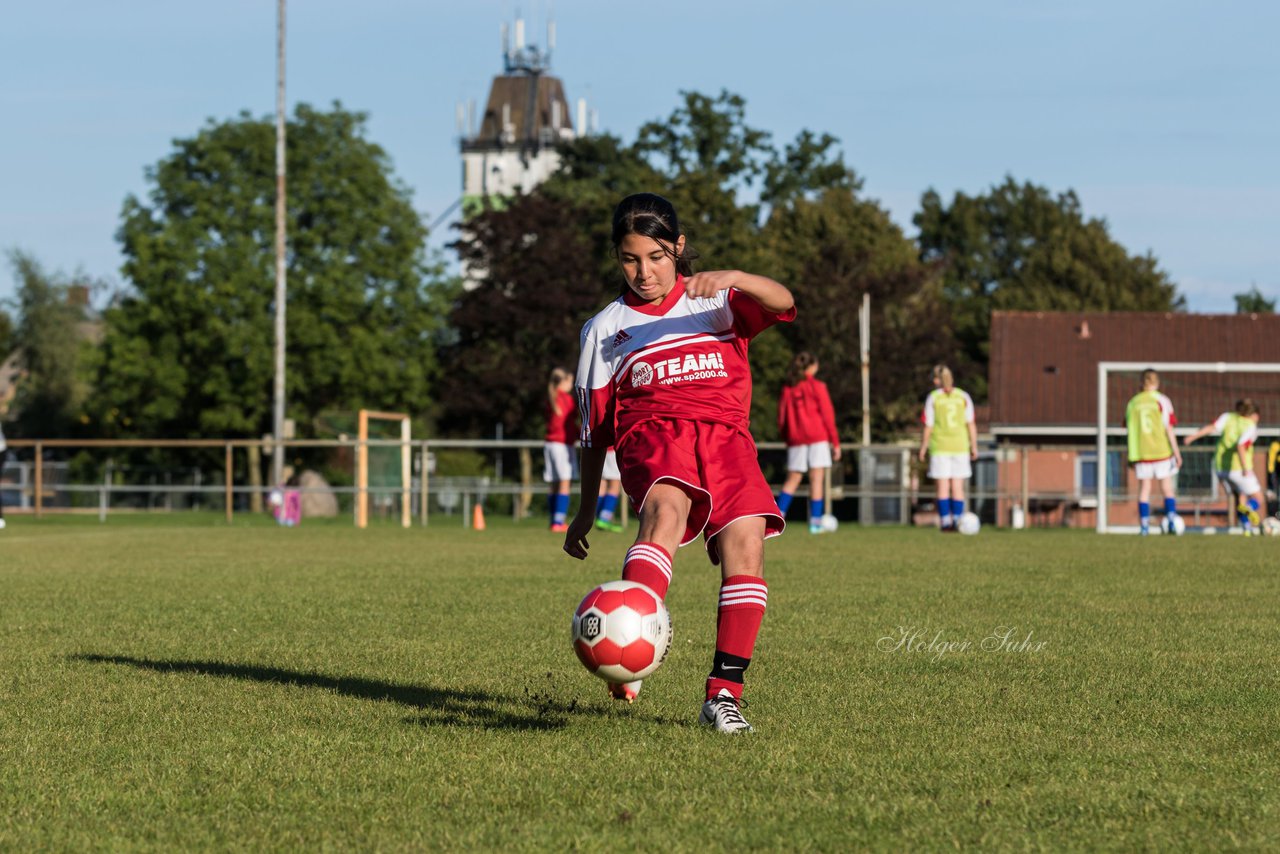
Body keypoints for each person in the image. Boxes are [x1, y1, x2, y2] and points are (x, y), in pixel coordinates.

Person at [564, 192, 795, 734]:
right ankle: (630, 647)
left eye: (657, 257)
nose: (643, 272)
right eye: (630, 259)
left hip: (728, 440)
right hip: (653, 435)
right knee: (666, 511)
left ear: (679, 248)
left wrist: (736, 276)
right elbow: (594, 434)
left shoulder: (717, 300)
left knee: (748, 543)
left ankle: (722, 696)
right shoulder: (604, 329)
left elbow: (784, 301)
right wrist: (584, 510)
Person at [776, 351, 841, 533]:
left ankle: (778, 517)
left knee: (792, 479)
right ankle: (815, 523)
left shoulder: (788, 388)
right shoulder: (818, 386)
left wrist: (787, 438)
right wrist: (835, 442)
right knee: (817, 479)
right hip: (818, 437)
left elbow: (781, 418)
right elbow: (828, 416)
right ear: (812, 367)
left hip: (796, 439)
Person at [1183, 399, 1263, 535]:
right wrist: (1245, 468)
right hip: (1238, 468)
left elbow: (1211, 427)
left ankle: (1246, 528)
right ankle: (1250, 509)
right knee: (1258, 498)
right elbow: (1241, 445)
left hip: (1220, 467)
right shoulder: (1251, 426)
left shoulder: (1228, 417)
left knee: (1241, 495)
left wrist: (1192, 437)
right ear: (1253, 414)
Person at [918, 364, 977, 532]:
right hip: (960, 446)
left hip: (940, 447)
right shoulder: (963, 396)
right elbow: (970, 424)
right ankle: (958, 521)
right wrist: (974, 446)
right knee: (957, 487)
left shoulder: (934, 397)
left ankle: (945, 522)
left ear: (937, 380)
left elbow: (928, 425)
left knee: (943, 487)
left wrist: (923, 446)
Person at [1124, 368, 1182, 535]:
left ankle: (1144, 527)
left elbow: (1129, 428)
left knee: (1144, 490)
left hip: (1141, 453)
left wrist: (1131, 454)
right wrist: (1176, 452)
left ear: (1142, 383)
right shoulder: (1162, 400)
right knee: (1167, 488)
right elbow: (1169, 428)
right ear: (1157, 383)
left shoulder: (1133, 402)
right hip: (1161, 451)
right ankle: (1171, 520)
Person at [544, 367, 578, 533]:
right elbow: (568, 425)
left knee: (554, 483)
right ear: (563, 382)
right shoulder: (565, 399)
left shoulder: (551, 397)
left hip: (550, 444)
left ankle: (553, 520)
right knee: (565, 482)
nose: (571, 386)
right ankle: (559, 521)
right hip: (562, 445)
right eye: (570, 382)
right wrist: (581, 434)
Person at [593, 447, 624, 533]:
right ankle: (604, 519)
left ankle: (595, 518)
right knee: (614, 486)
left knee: (601, 486)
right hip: (612, 451)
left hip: (599, 450)